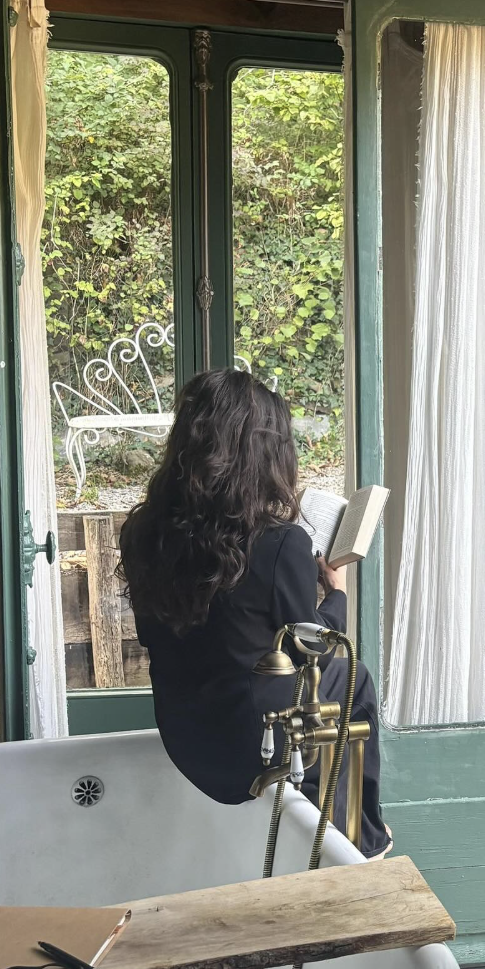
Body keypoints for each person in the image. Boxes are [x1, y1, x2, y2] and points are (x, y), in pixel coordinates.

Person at [119, 368, 391, 858]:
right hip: (250, 748)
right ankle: (361, 841)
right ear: (266, 453)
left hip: (184, 736)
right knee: (355, 677)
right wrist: (336, 594)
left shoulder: (142, 533)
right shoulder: (281, 542)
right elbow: (312, 656)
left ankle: (319, 822)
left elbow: (161, 635)